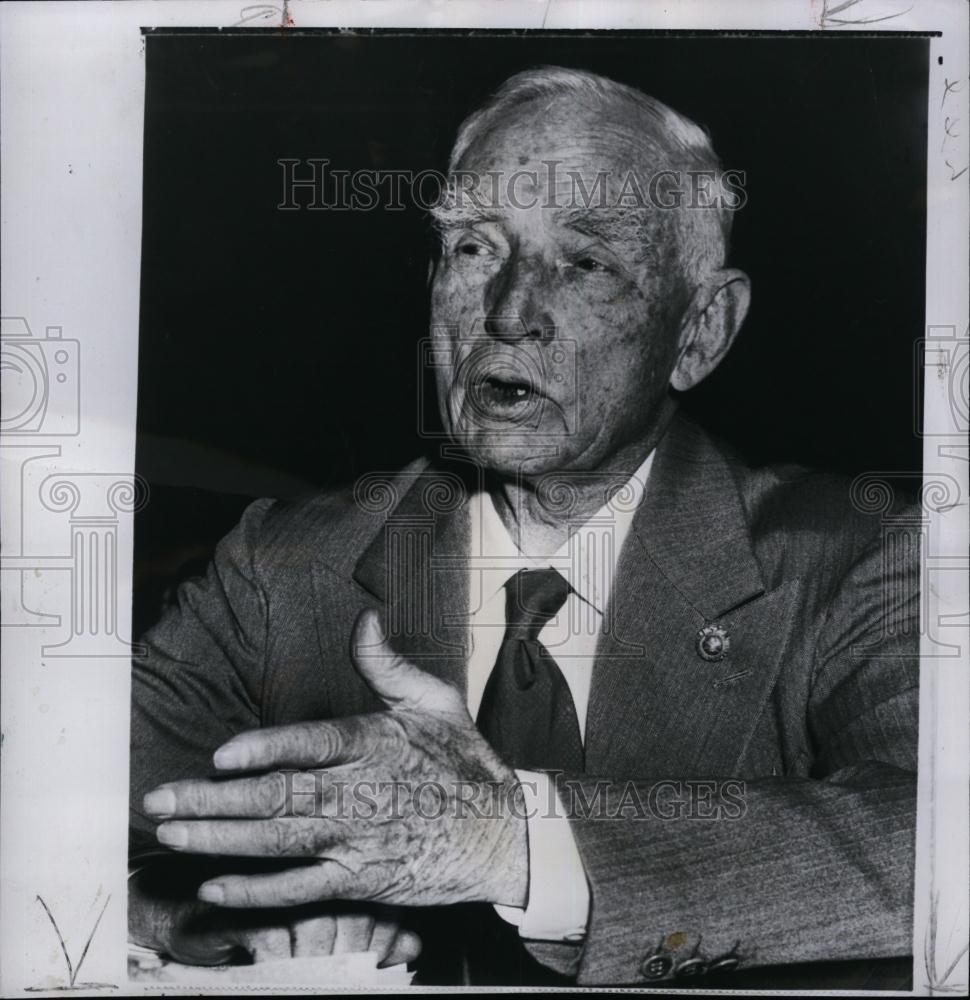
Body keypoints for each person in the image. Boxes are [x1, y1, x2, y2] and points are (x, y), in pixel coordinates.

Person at [129, 66, 919, 987]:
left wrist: (509, 840)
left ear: (701, 330)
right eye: (473, 248)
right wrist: (196, 913)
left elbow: (937, 842)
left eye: (584, 262)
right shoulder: (287, 564)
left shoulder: (863, 559)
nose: (508, 313)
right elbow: (46, 793)